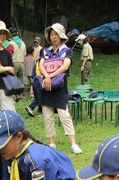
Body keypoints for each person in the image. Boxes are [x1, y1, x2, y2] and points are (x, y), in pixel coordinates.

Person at [37, 22, 82, 154]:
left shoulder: (67, 51)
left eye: (56, 34)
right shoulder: (44, 51)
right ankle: (51, 143)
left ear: (61, 36)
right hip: (46, 87)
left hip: (60, 88)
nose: (53, 37)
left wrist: (50, 76)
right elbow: (40, 66)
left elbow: (65, 66)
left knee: (65, 115)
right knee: (47, 115)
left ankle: (73, 144)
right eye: (51, 34)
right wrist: (46, 77)